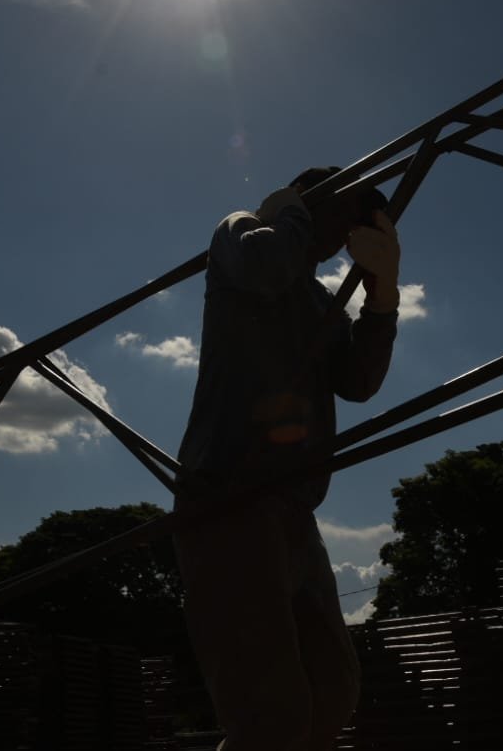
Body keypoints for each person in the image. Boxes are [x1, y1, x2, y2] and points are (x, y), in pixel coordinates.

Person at [172, 165, 402, 751]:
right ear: (305, 201)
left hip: (294, 506)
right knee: (268, 708)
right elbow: (267, 266)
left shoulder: (319, 300)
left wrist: (382, 294)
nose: (342, 235)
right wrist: (291, 207)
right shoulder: (241, 234)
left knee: (332, 690)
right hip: (226, 496)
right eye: (343, 213)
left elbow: (357, 381)